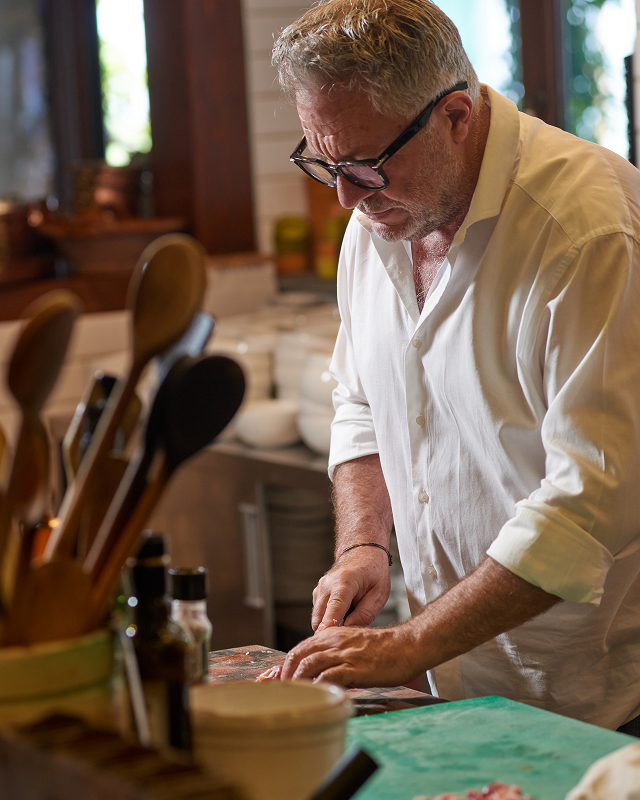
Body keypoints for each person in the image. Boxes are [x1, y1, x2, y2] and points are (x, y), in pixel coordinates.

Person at [271, 0, 640, 732]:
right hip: (452, 686)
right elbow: (361, 403)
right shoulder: (377, 220)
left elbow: (590, 502)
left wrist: (410, 641)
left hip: (596, 700)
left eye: (367, 165)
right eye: (324, 163)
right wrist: (362, 546)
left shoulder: (588, 231)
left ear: (457, 117)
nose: (345, 196)